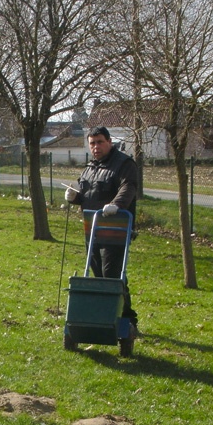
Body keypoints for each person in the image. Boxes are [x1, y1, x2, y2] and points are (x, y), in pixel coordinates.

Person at [65, 126, 139, 328]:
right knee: (98, 275)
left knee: (112, 276)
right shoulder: (90, 167)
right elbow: (88, 195)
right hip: (92, 229)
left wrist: (117, 204)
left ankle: (127, 320)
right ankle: (105, 317)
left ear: (109, 142)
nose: (95, 147)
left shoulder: (124, 164)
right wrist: (75, 198)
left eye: (99, 142)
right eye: (92, 143)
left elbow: (128, 186)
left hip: (116, 229)